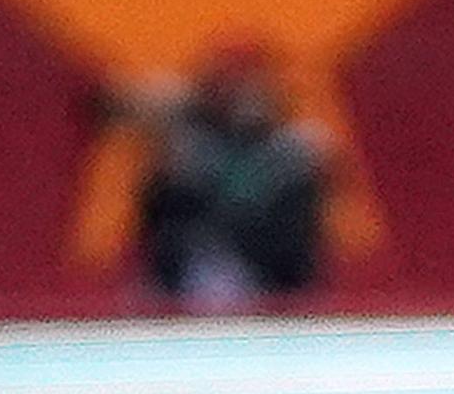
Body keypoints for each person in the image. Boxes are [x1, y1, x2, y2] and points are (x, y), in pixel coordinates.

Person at [106, 53, 331, 311]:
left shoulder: (295, 146)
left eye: (258, 87)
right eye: (238, 88)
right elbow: (113, 105)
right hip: (194, 274)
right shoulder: (189, 142)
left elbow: (295, 229)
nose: (249, 99)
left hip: (275, 275)